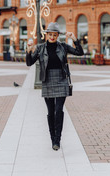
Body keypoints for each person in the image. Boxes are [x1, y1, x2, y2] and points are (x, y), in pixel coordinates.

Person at [26, 22, 84, 151]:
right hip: (47, 81)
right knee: (50, 112)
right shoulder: (40, 48)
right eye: (50, 34)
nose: (52, 37)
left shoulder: (63, 46)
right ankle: (53, 138)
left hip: (61, 79)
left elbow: (80, 52)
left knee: (59, 110)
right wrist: (29, 50)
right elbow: (29, 63)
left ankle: (57, 139)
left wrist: (74, 39)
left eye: (55, 35)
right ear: (47, 35)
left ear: (58, 35)